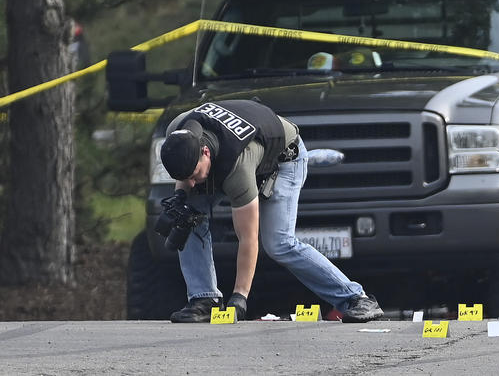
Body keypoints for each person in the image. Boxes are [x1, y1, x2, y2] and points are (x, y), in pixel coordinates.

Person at [159, 99, 384, 323]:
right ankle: (203, 300)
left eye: (194, 174)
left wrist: (239, 297)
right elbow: (187, 178)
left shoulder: (237, 167)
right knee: (186, 217)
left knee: (279, 243)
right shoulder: (176, 134)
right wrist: (181, 199)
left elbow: (248, 239)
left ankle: (356, 298)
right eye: (183, 178)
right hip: (236, 151)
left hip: (285, 159)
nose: (191, 182)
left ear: (205, 152)